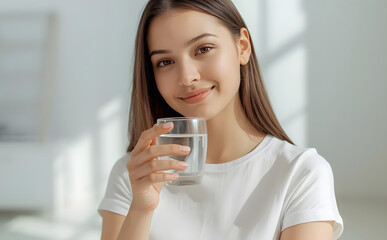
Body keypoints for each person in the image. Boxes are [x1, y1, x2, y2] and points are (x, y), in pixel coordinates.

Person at [98, 0, 344, 239]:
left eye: (203, 49)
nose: (187, 77)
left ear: (243, 47)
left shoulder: (302, 174)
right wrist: (141, 210)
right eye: (165, 62)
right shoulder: (132, 176)